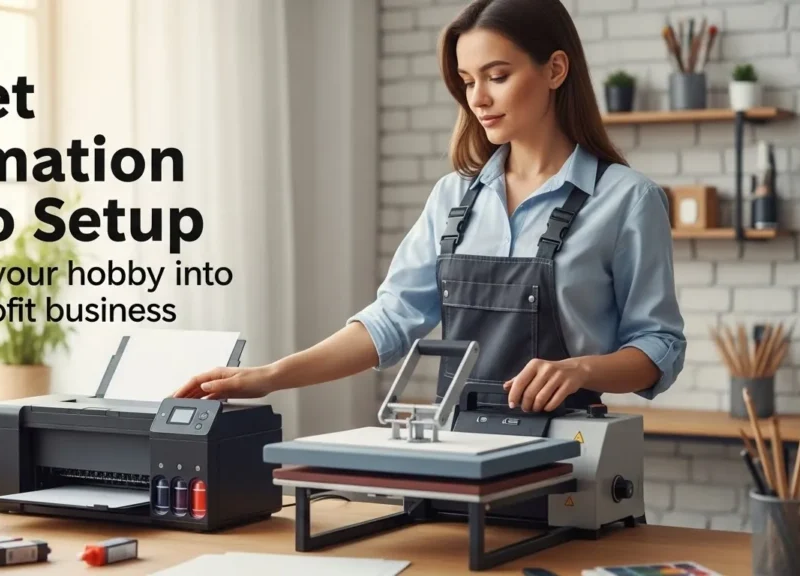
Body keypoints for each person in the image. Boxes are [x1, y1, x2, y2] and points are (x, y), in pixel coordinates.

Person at [174, 0, 686, 414]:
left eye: (497, 75)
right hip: (459, 450)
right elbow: (391, 320)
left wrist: (582, 369)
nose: (478, 98)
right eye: (467, 81)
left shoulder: (626, 199)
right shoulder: (453, 198)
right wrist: (270, 376)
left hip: (570, 456)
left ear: (555, 69)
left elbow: (658, 345)